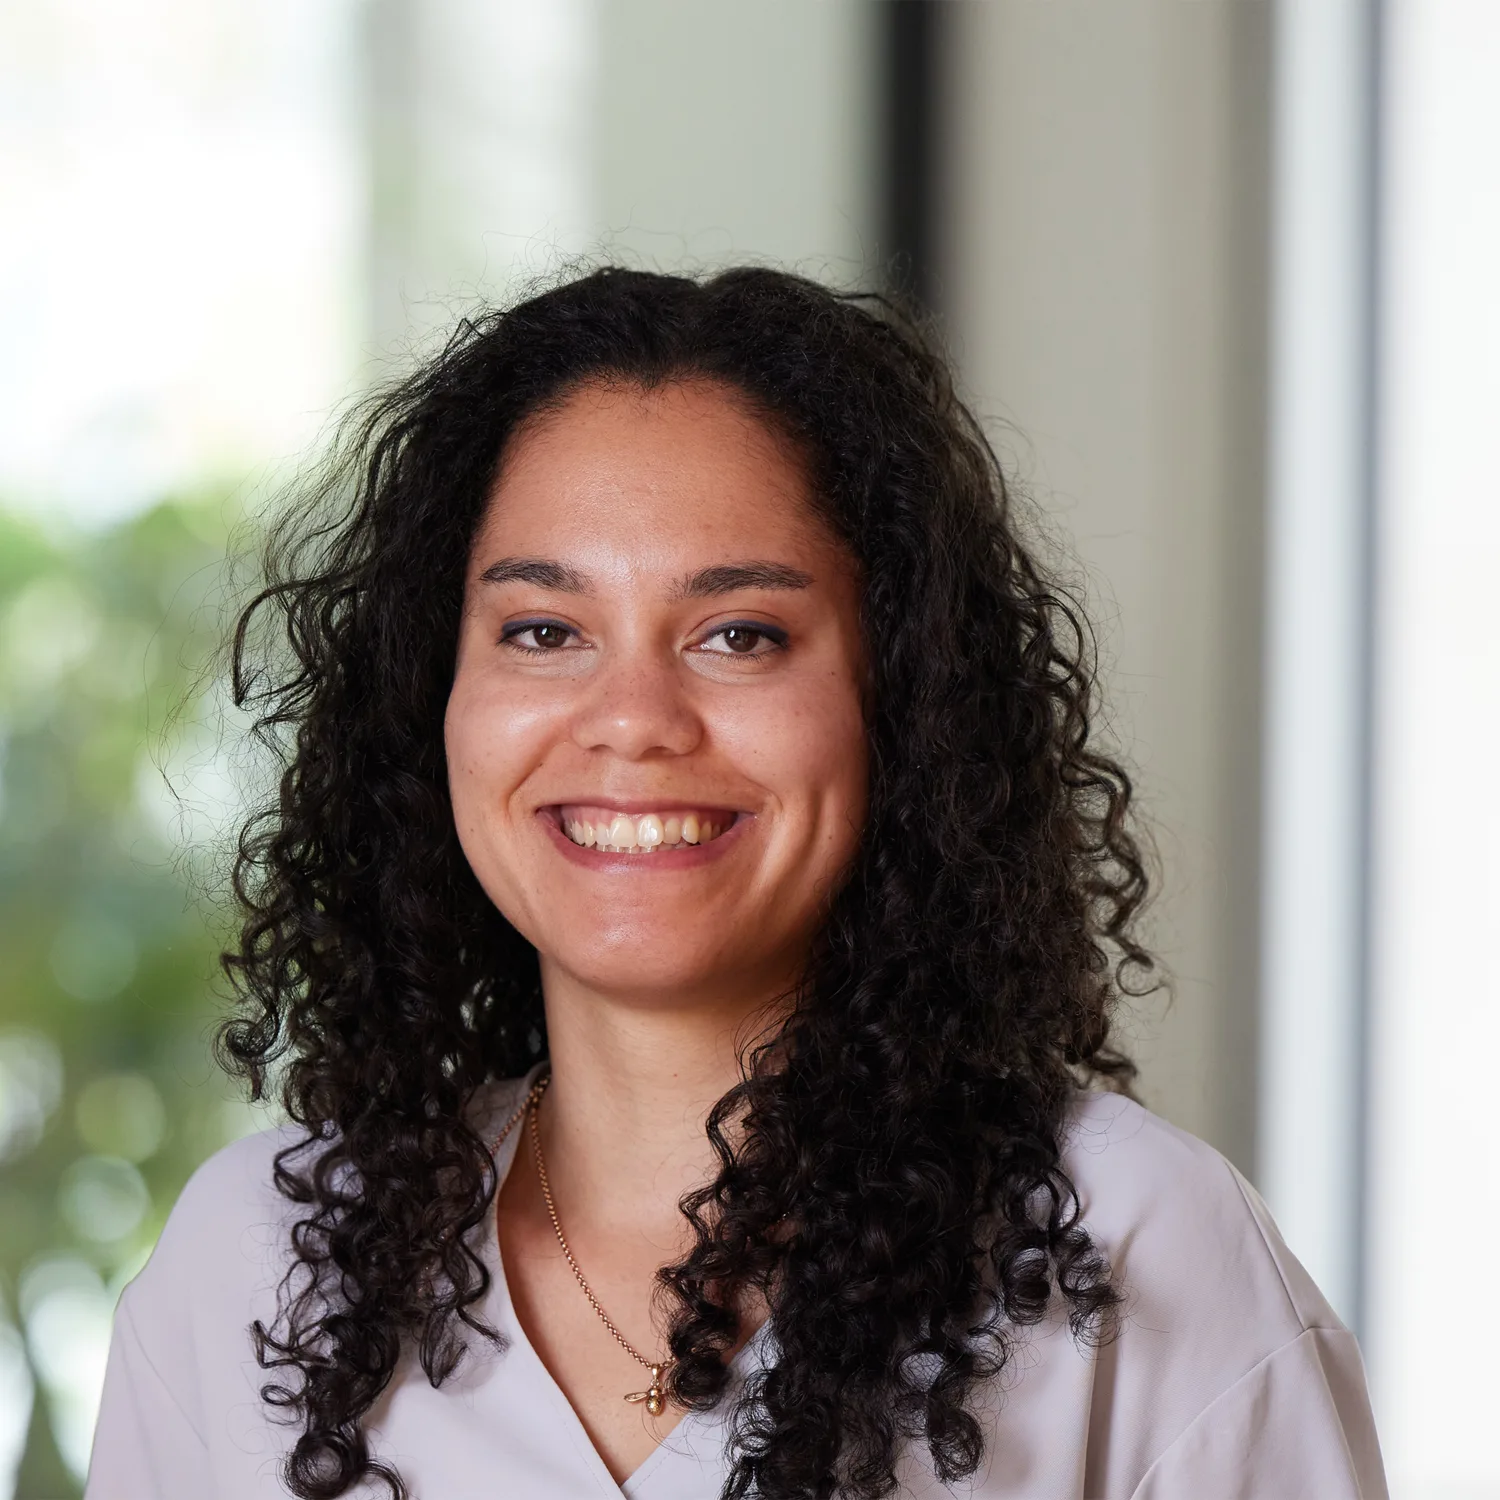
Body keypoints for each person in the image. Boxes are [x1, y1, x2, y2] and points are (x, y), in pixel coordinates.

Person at [84, 266, 1387, 1500]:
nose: (634, 719)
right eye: (544, 630)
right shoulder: (250, 1269)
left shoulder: (1135, 1247)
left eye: (739, 634)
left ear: (901, 703)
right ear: (437, 699)